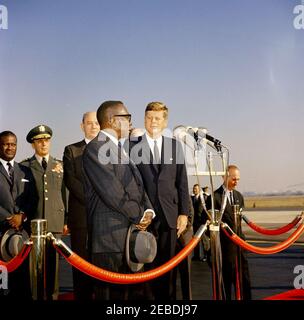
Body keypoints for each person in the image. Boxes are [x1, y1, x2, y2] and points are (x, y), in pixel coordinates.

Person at [82, 100, 154, 300]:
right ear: (113, 120)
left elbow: (138, 186)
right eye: (127, 118)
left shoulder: (120, 149)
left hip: (129, 237)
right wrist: (139, 214)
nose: (131, 122)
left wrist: (148, 210)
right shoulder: (96, 149)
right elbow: (112, 192)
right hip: (109, 242)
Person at [130, 101, 189, 300]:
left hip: (170, 217)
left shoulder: (175, 146)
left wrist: (184, 213)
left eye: (157, 118)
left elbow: (182, 181)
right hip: (143, 219)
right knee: (144, 269)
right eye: (148, 117)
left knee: (168, 269)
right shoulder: (132, 147)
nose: (152, 121)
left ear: (165, 122)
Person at [21, 125, 67, 300]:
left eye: (46, 140)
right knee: (35, 267)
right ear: (33, 144)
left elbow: (65, 193)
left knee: (53, 266)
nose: (44, 144)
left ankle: (53, 296)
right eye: (39, 141)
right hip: (34, 223)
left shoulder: (60, 165)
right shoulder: (25, 166)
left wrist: (66, 220)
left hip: (55, 221)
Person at [63, 111, 99, 300]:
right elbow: (71, 180)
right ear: (82, 126)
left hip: (104, 220)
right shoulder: (71, 150)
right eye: (89, 123)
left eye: (96, 123)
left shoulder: (108, 151)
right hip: (81, 217)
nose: (93, 126)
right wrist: (94, 200)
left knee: (102, 267)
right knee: (81, 265)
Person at [0, 131, 37, 299]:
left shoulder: (25, 171)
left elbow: (33, 198)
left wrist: (22, 216)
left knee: (22, 283)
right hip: (1, 232)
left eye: (13, 144)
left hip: (21, 235)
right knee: (3, 284)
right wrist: (9, 217)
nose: (10, 147)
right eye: (6, 144)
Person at [206, 164, 251, 300]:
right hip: (224, 248)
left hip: (240, 245)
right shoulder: (214, 198)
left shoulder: (239, 196)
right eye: (234, 179)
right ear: (224, 177)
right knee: (225, 283)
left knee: (244, 280)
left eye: (238, 179)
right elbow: (208, 224)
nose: (236, 182)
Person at [191, 184, 208, 261]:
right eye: (194, 189)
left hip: (201, 222)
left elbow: (205, 211)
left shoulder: (203, 198)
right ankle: (196, 255)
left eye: (196, 189)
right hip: (194, 222)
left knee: (204, 239)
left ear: (199, 190)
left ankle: (205, 255)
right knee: (195, 240)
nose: (194, 190)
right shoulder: (192, 198)